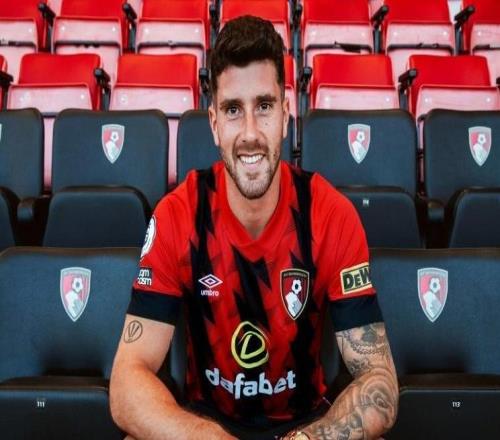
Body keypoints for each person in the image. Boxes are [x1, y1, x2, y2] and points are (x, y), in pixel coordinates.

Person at [110, 15, 398, 440]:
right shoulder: (178, 214)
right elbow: (126, 383)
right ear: (214, 124)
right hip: (205, 426)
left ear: (285, 114)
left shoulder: (330, 214)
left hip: (306, 427)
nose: (249, 133)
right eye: (232, 110)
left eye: (263, 106)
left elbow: (379, 384)